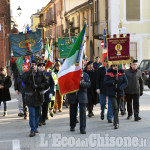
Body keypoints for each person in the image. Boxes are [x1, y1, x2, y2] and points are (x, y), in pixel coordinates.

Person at [22, 60, 48, 137]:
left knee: (37, 114)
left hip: (39, 97)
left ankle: (35, 126)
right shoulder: (27, 73)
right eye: (32, 65)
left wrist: (39, 86)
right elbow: (23, 80)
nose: (33, 66)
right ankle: (32, 130)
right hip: (30, 97)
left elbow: (46, 83)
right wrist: (30, 72)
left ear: (36, 65)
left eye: (34, 65)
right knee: (32, 114)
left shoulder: (41, 73)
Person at [104, 65, 128, 129]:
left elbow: (125, 82)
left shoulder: (121, 72)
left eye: (116, 66)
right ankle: (117, 122)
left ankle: (115, 120)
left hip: (119, 92)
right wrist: (113, 82)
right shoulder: (108, 72)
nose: (115, 67)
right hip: (111, 93)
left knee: (117, 108)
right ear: (111, 66)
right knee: (115, 107)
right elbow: (105, 81)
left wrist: (120, 88)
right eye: (114, 66)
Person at [96, 57, 113, 123]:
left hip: (110, 89)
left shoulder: (112, 70)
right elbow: (97, 80)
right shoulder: (100, 70)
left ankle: (109, 117)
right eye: (106, 62)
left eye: (108, 62)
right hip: (102, 89)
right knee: (102, 103)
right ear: (104, 62)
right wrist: (97, 88)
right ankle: (102, 112)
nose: (107, 63)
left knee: (110, 104)